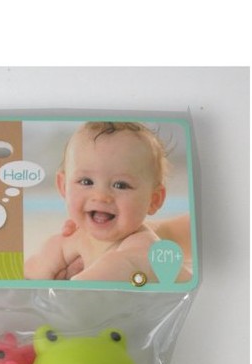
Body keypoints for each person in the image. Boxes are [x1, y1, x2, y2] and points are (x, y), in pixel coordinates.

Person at [24, 121, 192, 283]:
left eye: (121, 185)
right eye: (86, 182)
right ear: (63, 187)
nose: (101, 196)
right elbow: (27, 274)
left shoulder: (143, 250)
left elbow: (101, 277)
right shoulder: (69, 240)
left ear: (153, 200)